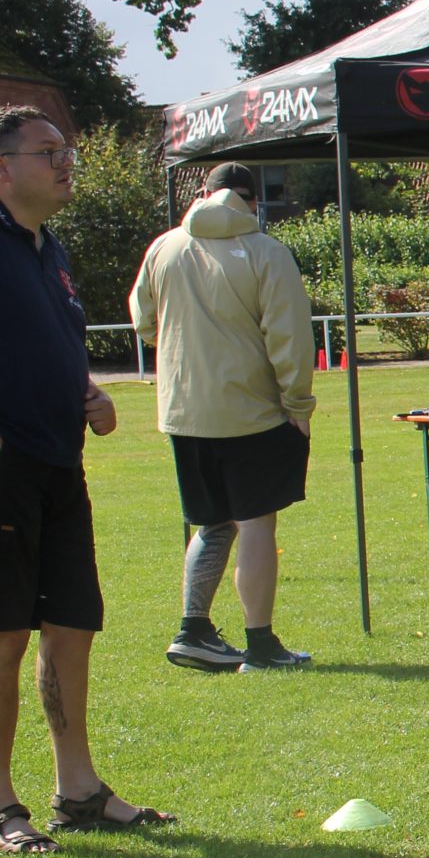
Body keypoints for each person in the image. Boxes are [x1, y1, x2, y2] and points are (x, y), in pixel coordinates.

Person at [0, 106, 174, 853]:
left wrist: (91, 396)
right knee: (1, 635)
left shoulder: (46, 246)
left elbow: (43, 345)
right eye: (48, 152)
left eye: (67, 151)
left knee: (72, 626)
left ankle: (78, 790)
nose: (65, 163)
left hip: (59, 463)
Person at [128, 162, 316, 672]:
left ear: (203, 193)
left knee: (211, 523)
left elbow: (144, 320)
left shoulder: (164, 247)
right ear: (253, 201)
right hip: (252, 411)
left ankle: (193, 629)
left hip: (184, 411)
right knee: (255, 524)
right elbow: (289, 336)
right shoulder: (266, 252)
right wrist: (298, 404)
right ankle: (261, 644)